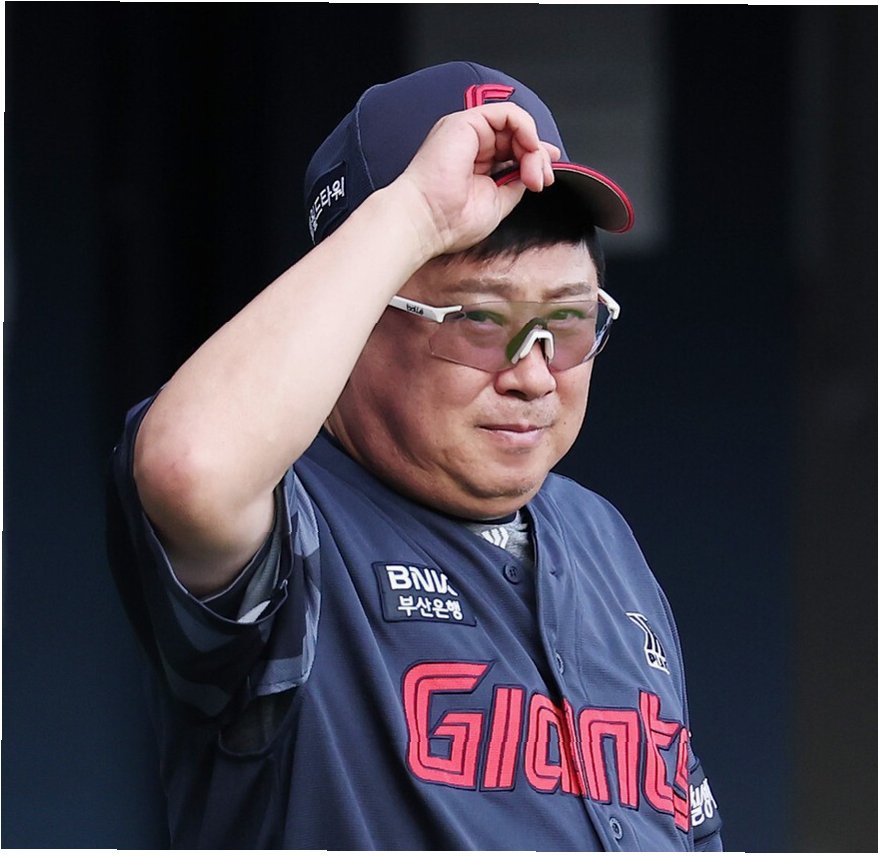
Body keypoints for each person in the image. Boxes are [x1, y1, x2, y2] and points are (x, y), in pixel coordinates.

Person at [106, 60, 723, 850]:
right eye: (479, 321)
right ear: (357, 318)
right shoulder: (295, 518)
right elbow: (187, 467)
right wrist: (417, 215)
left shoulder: (600, 536)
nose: (533, 375)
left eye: (567, 323)